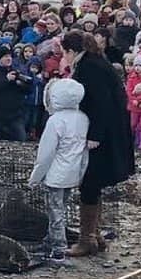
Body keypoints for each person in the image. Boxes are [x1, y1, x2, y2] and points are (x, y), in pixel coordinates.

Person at [59, 30, 135, 257]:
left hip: (104, 134)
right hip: (111, 131)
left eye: (65, 53)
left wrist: (95, 135)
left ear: (71, 51)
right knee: (95, 183)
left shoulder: (90, 67)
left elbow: (101, 102)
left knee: (90, 182)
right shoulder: (96, 61)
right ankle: (96, 235)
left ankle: (87, 240)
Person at [27, 79, 89, 261]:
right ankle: (50, 239)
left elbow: (46, 154)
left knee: (55, 210)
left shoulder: (55, 121)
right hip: (74, 172)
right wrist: (82, 172)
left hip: (56, 174)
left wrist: (35, 177)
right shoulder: (83, 118)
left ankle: (59, 247)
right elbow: (84, 150)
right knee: (63, 207)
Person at [0, 46, 31, 141]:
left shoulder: (16, 72)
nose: (9, 59)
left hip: (15, 115)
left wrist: (21, 84)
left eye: (10, 56)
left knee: (22, 140)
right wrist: (6, 80)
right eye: (5, 56)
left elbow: (28, 89)